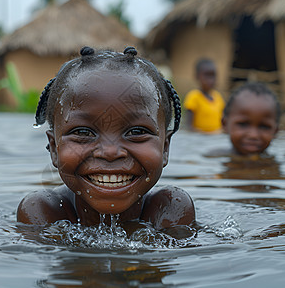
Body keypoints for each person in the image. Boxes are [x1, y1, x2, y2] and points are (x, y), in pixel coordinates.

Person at [17, 46, 195, 230]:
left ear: (165, 148)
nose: (110, 152)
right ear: (54, 148)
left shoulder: (170, 208)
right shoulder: (43, 213)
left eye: (136, 132)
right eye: (83, 133)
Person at [221, 82, 280, 157]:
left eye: (264, 127)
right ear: (225, 124)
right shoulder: (214, 159)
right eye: (243, 124)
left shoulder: (275, 164)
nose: (253, 135)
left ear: (275, 131)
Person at [183, 58, 225, 133]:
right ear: (197, 76)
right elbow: (188, 126)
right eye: (207, 75)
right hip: (200, 139)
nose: (210, 80)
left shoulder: (218, 97)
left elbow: (223, 121)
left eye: (213, 75)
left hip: (216, 138)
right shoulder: (193, 97)